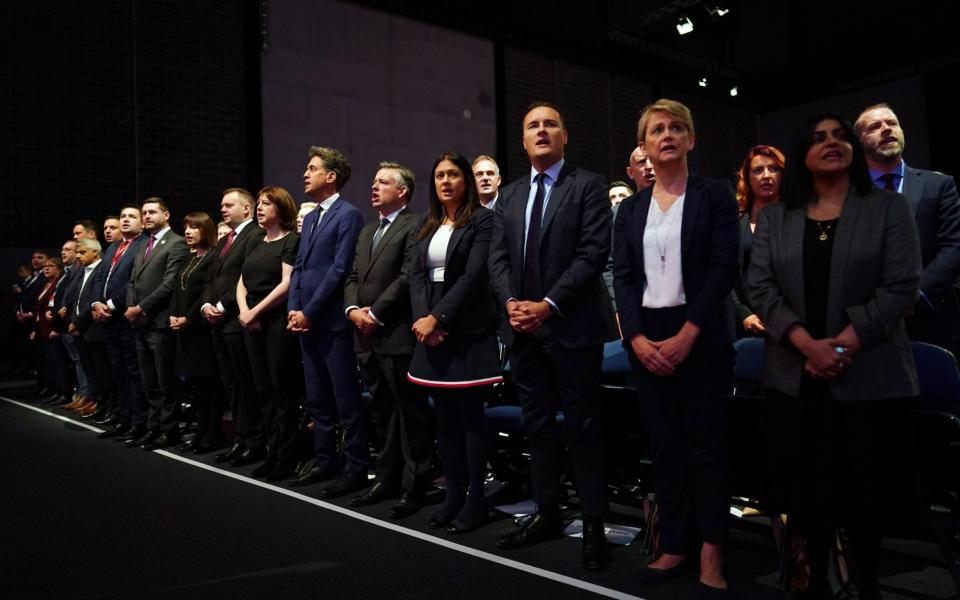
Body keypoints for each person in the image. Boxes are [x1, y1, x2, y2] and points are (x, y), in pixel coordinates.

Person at [748, 112, 921, 599]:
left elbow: (902, 287)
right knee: (807, 502)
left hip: (868, 377)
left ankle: (867, 589)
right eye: (819, 137)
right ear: (802, 152)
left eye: (840, 136)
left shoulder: (888, 208)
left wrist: (840, 345)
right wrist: (806, 344)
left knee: (866, 505)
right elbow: (759, 287)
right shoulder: (778, 216)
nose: (832, 143)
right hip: (795, 380)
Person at [613, 99, 739, 592]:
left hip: (701, 338)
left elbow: (723, 269)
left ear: (691, 139)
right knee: (665, 448)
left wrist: (689, 335)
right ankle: (675, 544)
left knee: (707, 450)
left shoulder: (715, 195)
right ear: (643, 147)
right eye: (656, 130)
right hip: (647, 339)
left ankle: (712, 552)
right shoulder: (630, 209)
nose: (666, 135)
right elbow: (623, 278)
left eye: (676, 128)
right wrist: (637, 339)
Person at [489, 101, 617, 570]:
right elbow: (497, 260)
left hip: (571, 326)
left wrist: (547, 306)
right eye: (532, 126)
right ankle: (544, 512)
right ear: (523, 141)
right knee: (537, 428)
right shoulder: (511, 194)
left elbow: (591, 254)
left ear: (565, 136)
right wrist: (511, 305)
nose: (541, 131)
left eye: (550, 124)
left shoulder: (588, 185)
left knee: (584, 429)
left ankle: (594, 525)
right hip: (523, 331)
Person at [407, 152, 500, 533]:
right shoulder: (427, 224)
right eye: (439, 175)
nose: (445, 181)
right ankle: (453, 495)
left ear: (467, 181)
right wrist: (420, 318)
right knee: (443, 420)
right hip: (429, 326)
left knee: (471, 420)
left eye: (453, 174)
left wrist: (437, 318)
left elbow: (475, 276)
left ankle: (476, 499)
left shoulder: (483, 220)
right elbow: (415, 275)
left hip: (466, 328)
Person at [345, 162, 434, 518]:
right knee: (382, 412)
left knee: (410, 414)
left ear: (403, 192)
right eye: (374, 181)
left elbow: (407, 275)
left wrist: (375, 313)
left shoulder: (415, 224)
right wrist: (353, 309)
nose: (374, 187)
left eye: (383, 182)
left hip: (395, 332)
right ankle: (386, 479)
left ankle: (415, 487)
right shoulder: (367, 231)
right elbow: (353, 275)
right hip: (365, 336)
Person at [287, 146, 368, 499]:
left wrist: (309, 310)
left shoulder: (348, 215)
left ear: (331, 176)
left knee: (345, 399)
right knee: (317, 397)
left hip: (331, 321)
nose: (305, 174)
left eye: (312, 168)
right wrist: (294, 308)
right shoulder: (314, 217)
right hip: (306, 320)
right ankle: (323, 460)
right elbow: (301, 266)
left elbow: (339, 270)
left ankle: (355, 467)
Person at [854, 103, 960, 355]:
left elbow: (954, 245)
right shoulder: (848, 197)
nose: (887, 129)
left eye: (892, 123)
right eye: (875, 126)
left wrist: (914, 295)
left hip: (934, 318)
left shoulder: (939, 185)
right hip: (871, 323)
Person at [236, 187, 302, 481]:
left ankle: (287, 457)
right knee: (263, 390)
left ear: (281, 208)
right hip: (252, 322)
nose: (260, 208)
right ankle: (271, 451)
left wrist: (256, 311)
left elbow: (286, 284)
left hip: (275, 322)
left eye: (266, 204)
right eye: (258, 203)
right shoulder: (254, 240)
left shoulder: (291, 240)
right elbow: (242, 281)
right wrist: (244, 311)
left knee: (282, 392)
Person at [202, 188, 266, 459]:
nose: (223, 210)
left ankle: (254, 441)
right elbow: (211, 277)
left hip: (236, 319)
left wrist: (220, 305)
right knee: (232, 385)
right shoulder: (225, 239)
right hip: (218, 322)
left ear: (247, 209)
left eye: (229, 205)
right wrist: (206, 303)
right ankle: (241, 437)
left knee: (245, 384)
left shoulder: (254, 235)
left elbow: (247, 278)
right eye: (222, 205)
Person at [124, 197, 188, 450]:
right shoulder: (144, 245)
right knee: (149, 381)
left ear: (167, 215)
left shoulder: (176, 243)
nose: (147, 216)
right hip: (140, 322)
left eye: (152, 212)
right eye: (145, 213)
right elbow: (132, 281)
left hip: (159, 322)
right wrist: (132, 308)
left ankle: (169, 430)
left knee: (165, 381)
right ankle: (153, 428)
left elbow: (170, 282)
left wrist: (141, 308)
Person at [168, 212, 224, 453]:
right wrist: (173, 314)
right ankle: (202, 431)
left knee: (209, 386)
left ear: (206, 230)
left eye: (194, 228)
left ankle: (212, 433)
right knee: (197, 388)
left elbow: (206, 294)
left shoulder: (213, 257)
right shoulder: (188, 259)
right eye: (186, 227)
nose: (188, 232)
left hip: (201, 330)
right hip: (185, 333)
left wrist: (188, 318)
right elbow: (176, 289)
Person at [92, 206, 147, 441]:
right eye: (122, 216)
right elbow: (100, 277)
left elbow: (135, 281)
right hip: (108, 320)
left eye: (131, 217)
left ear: (142, 223)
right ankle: (124, 418)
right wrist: (96, 302)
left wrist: (111, 305)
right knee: (119, 372)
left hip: (126, 317)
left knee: (134, 373)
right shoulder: (114, 246)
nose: (125, 220)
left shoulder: (142, 245)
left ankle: (139, 422)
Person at [732, 145, 785, 337]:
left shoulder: (798, 217)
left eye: (774, 168)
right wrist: (744, 314)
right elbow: (726, 274)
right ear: (747, 177)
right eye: (758, 170)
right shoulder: (735, 220)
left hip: (789, 322)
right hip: (746, 322)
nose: (766, 175)